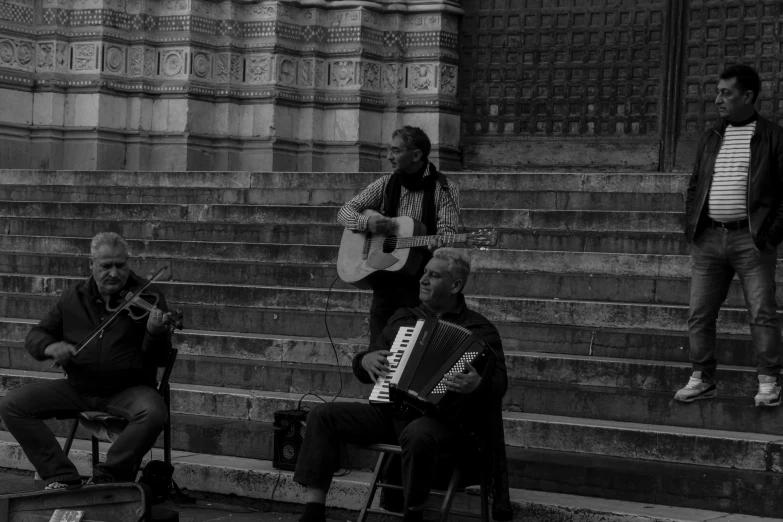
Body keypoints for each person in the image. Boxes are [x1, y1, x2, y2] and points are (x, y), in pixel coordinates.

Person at [293, 248, 508, 522]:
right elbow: (365, 366)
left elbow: (499, 382)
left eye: (434, 275)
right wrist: (365, 360)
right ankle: (313, 512)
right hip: (390, 414)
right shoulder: (403, 318)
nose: (423, 279)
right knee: (322, 415)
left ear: (455, 285)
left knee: (418, 433)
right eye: (424, 273)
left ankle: (413, 515)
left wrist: (478, 384)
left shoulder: (480, 330)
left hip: (444, 423)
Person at [0, 232, 175, 489]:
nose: (114, 273)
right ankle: (61, 476)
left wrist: (154, 334)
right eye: (106, 266)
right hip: (78, 387)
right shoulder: (73, 298)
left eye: (120, 265)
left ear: (128, 263)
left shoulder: (150, 297)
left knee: (154, 411)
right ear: (91, 265)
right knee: (12, 405)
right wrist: (51, 346)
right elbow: (36, 336)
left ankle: (109, 478)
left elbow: (159, 359)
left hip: (129, 389)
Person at [677, 64, 783, 407]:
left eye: (726, 92)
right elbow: (695, 184)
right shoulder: (712, 135)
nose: (718, 99)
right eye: (718, 92)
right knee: (699, 313)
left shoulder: (773, 136)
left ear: (748, 96)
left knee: (762, 313)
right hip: (709, 238)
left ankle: (768, 382)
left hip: (750, 240)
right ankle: (702, 377)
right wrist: (692, 222)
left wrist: (769, 235)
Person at [337, 126, 460, 345]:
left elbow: (448, 233)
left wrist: (439, 246)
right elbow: (344, 212)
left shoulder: (444, 188)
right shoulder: (385, 184)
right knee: (378, 349)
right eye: (389, 150)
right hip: (385, 281)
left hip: (421, 286)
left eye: (395, 151)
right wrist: (368, 222)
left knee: (413, 353)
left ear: (416, 155)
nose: (388, 156)